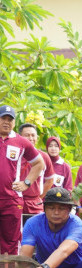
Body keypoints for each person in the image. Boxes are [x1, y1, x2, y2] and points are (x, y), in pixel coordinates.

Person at [0, 105, 45, 255]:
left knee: (11, 242)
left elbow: (39, 164)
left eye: (10, 119)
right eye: (3, 118)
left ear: (13, 122)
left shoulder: (21, 142)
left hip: (11, 200)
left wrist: (26, 183)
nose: (6, 122)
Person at [18, 123, 54, 217]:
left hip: (35, 205)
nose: (31, 138)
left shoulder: (44, 157)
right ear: (20, 137)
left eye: (33, 135)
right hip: (15, 201)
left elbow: (50, 180)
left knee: (35, 231)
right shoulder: (14, 154)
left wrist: (39, 197)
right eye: (27, 135)